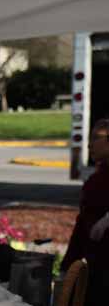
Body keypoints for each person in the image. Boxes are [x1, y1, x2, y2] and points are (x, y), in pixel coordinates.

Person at [62, 119, 109, 305]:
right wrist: (67, 265)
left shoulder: (99, 182)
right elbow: (83, 226)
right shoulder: (96, 180)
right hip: (96, 268)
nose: (89, 144)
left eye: (96, 138)